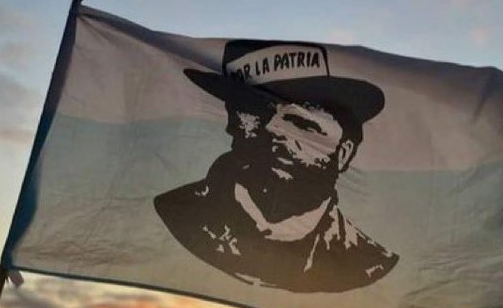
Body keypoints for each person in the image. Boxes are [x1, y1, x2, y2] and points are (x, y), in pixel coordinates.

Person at [154, 40, 399, 293]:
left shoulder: (367, 261)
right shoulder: (179, 213)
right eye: (252, 112)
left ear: (344, 154)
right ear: (231, 122)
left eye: (302, 123)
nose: (272, 131)